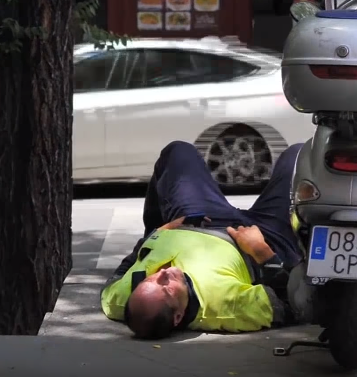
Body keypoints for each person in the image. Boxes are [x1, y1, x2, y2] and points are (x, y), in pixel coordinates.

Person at [100, 139, 307, 339]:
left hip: (196, 220)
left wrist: (157, 233)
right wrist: (263, 253)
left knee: (178, 152)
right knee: (302, 156)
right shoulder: (226, 309)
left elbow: (116, 279)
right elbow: (294, 305)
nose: (163, 274)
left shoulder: (122, 300)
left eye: (151, 279)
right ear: (178, 317)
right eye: (168, 288)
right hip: (259, 240)